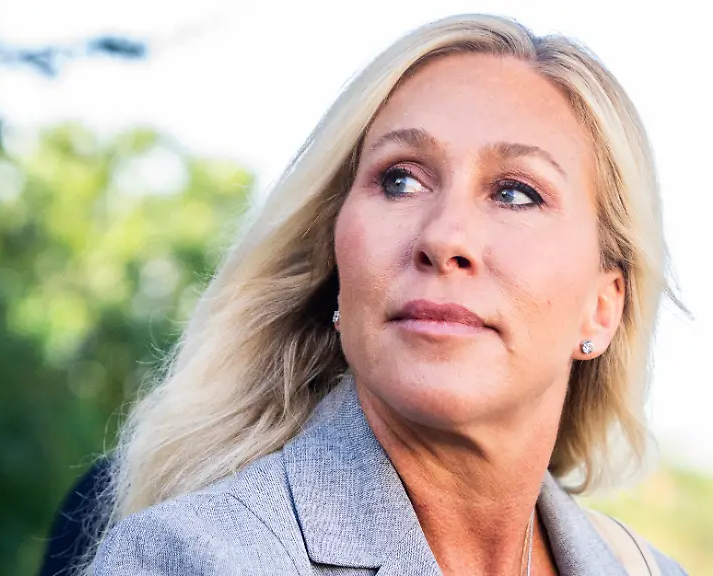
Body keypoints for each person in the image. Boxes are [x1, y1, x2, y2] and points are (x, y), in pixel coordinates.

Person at [88, 13, 689, 575]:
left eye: (514, 194)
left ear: (604, 306)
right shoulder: (194, 557)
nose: (445, 237)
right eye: (400, 180)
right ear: (337, 263)